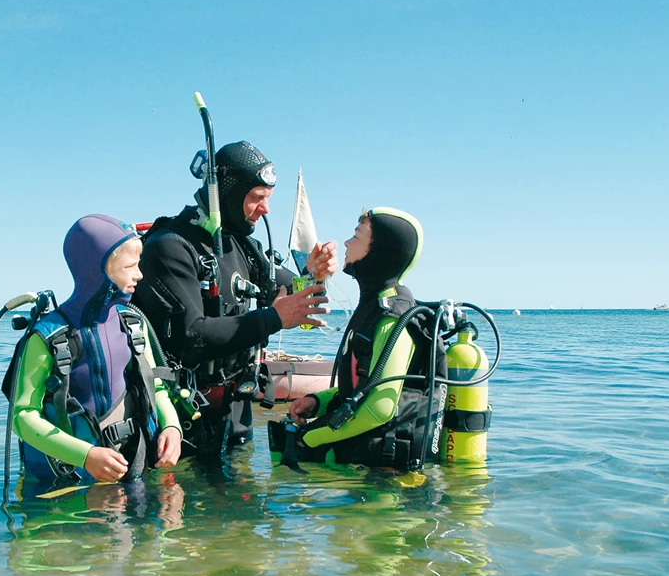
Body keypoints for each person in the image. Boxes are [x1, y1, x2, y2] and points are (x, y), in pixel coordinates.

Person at [132, 141, 338, 456]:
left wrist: (314, 276)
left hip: (234, 412)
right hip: (180, 418)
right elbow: (192, 336)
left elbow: (297, 295)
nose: (266, 209)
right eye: (256, 197)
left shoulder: (243, 246)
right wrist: (274, 318)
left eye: (267, 198)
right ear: (225, 193)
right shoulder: (169, 247)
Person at [8, 215, 182, 483]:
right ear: (97, 271)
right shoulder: (47, 337)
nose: (139, 274)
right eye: (129, 266)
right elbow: (22, 416)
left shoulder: (133, 324)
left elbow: (155, 386)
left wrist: (172, 426)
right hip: (65, 482)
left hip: (130, 469)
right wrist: (86, 455)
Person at [284, 207, 440, 472]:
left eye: (356, 236)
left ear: (380, 251)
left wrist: (308, 438)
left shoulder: (393, 317)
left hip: (387, 477)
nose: (346, 243)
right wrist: (318, 402)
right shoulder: (373, 308)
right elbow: (362, 388)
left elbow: (380, 407)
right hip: (367, 467)